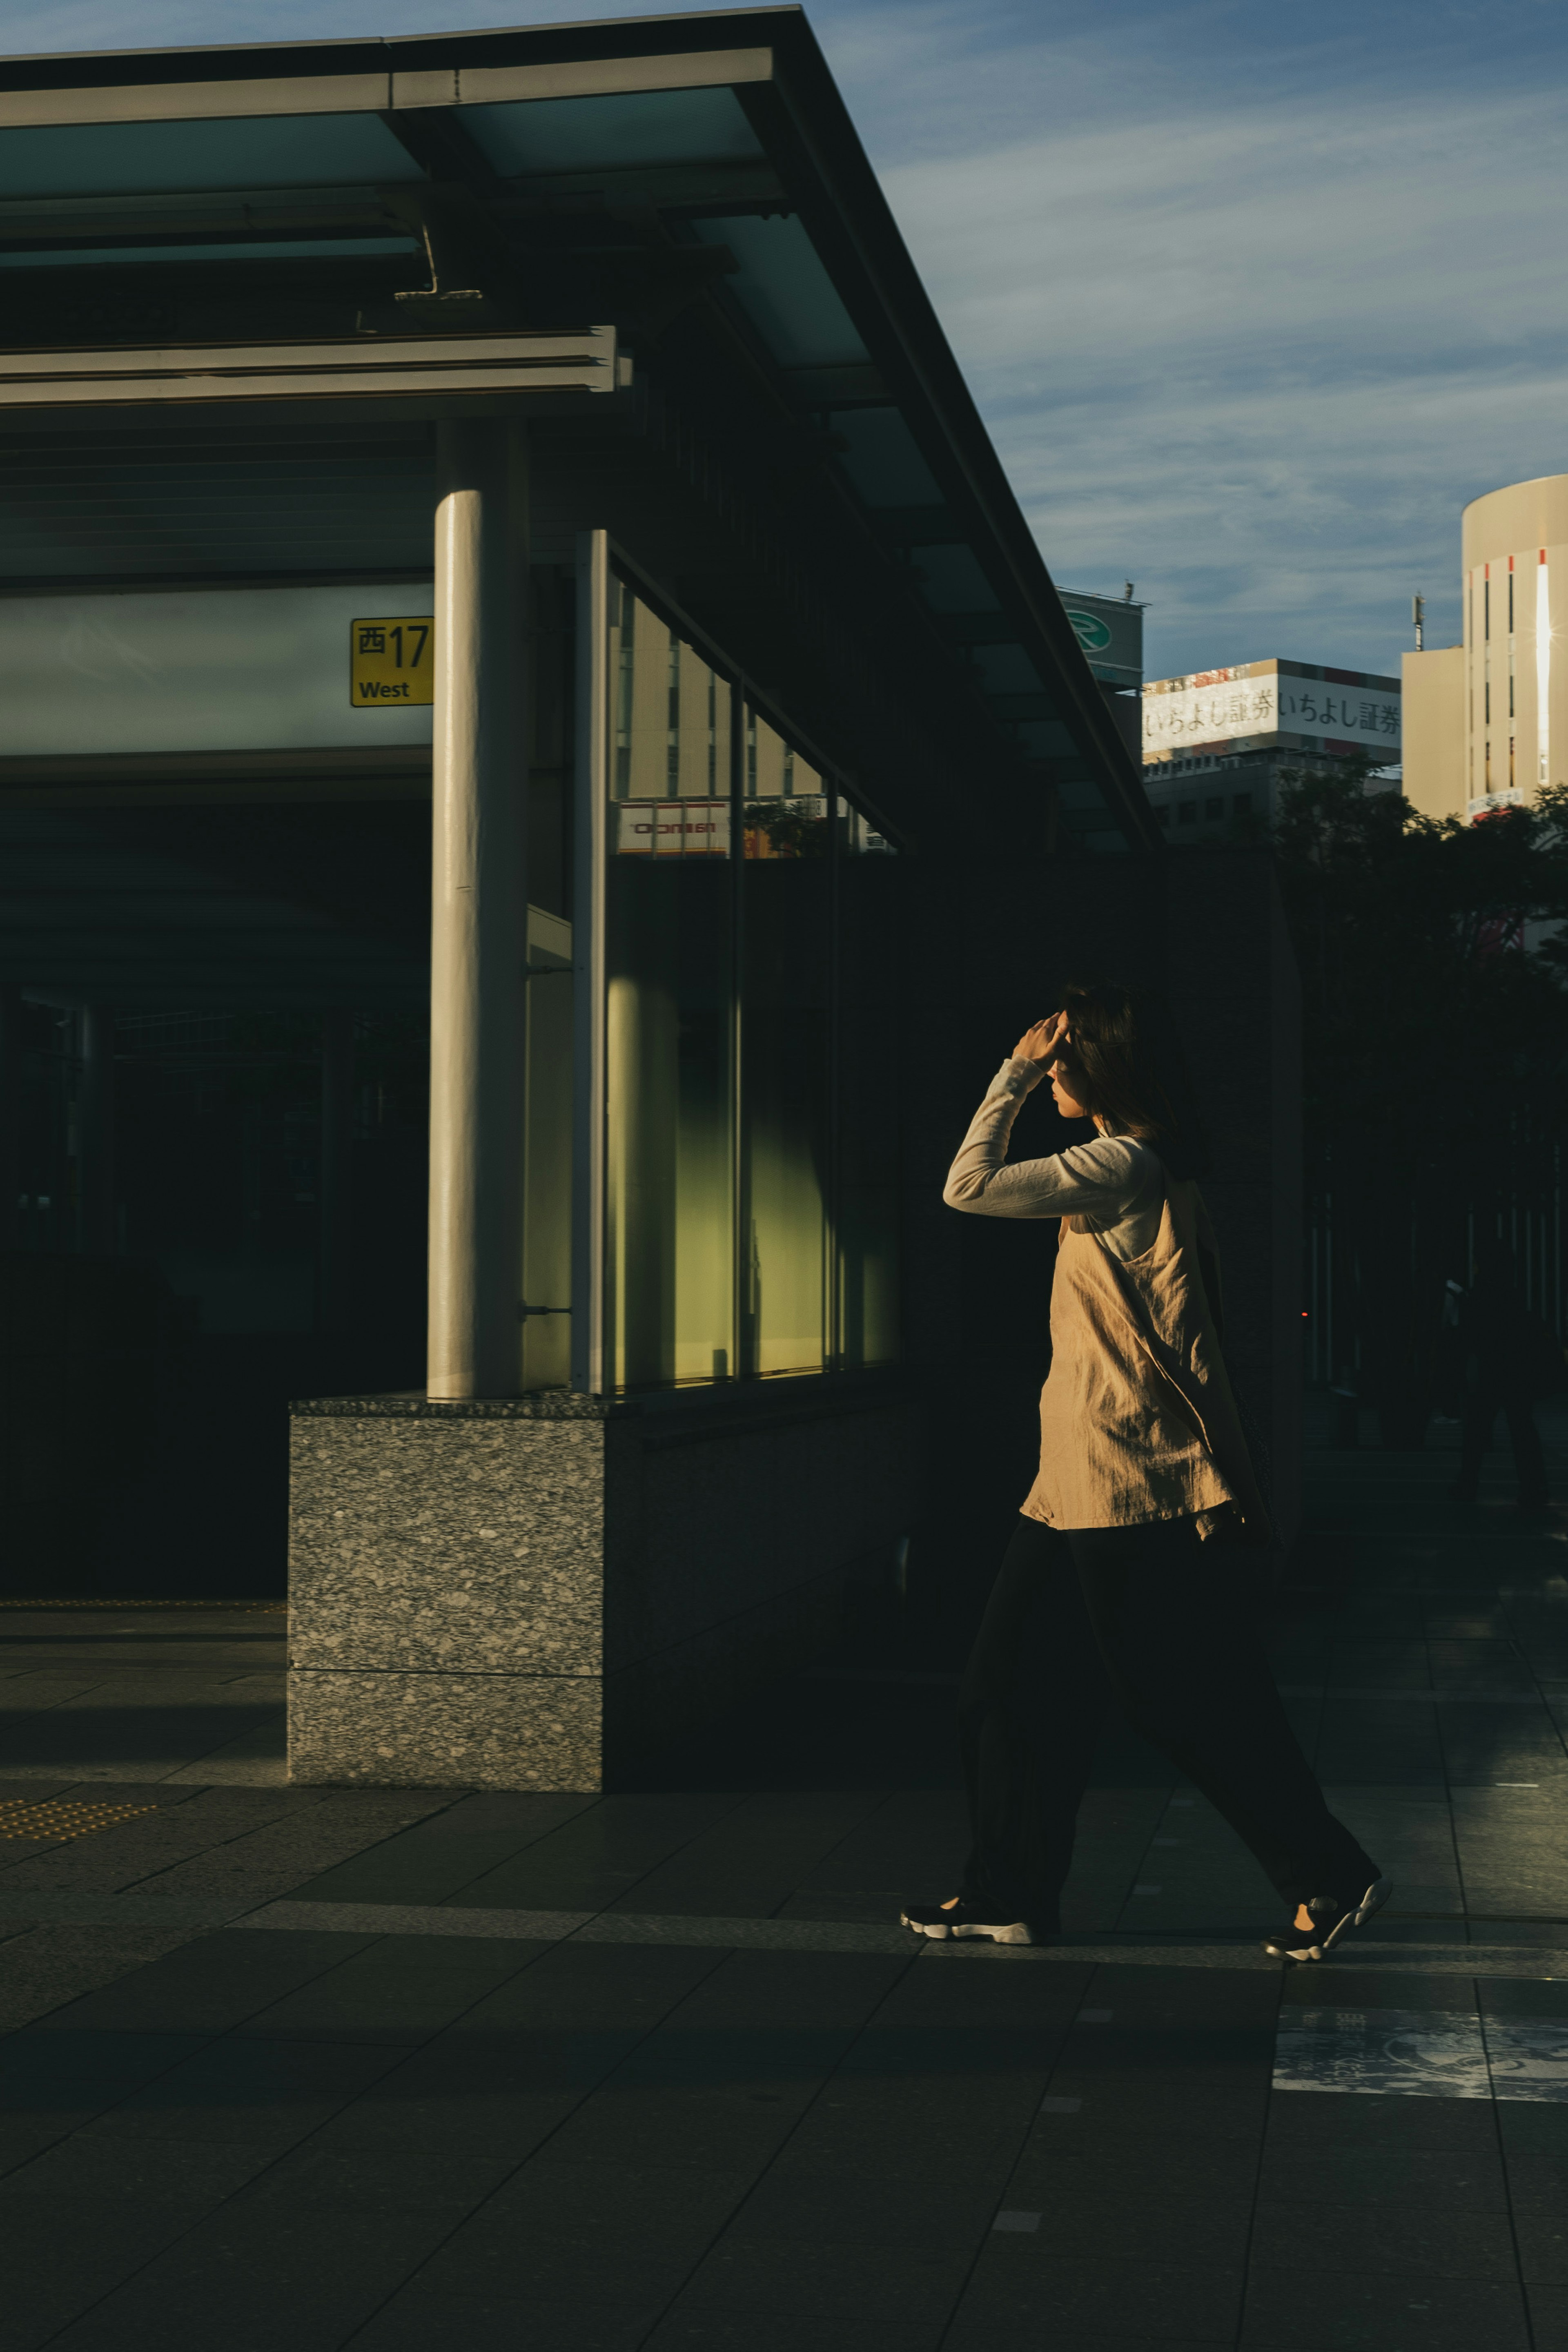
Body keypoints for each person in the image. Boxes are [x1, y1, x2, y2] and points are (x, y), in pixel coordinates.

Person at [900, 983, 1389, 1965]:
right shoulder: (1130, 1163)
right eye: (1046, 1060)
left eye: (1064, 1059)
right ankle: (1008, 1888)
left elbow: (966, 1184)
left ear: (1106, 1065)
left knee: (1184, 1695)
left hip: (1123, 1478)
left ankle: (1324, 1870)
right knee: (1004, 1688)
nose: (1051, 1076)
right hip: (1071, 1479)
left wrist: (1008, 1069)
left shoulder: (1121, 1162)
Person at [1450, 1240, 1552, 1515]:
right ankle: (1534, 1488)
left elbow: (1472, 1337)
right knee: (1523, 1431)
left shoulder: (1480, 1295)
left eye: (1476, 1262)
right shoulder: (1514, 1294)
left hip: (1490, 1373)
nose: (1473, 1268)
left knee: (1476, 1432)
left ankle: (1467, 1485)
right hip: (1518, 1373)